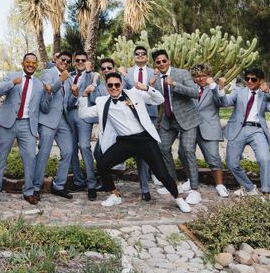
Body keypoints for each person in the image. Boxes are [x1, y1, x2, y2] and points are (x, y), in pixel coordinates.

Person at [78, 72, 192, 213]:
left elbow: (160, 99)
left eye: (117, 84)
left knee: (161, 173)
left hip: (145, 140)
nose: (114, 87)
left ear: (122, 84)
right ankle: (114, 194)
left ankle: (178, 198)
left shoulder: (135, 94)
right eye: (110, 85)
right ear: (106, 86)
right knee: (102, 164)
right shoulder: (102, 102)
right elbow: (83, 114)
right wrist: (84, 95)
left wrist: (146, 88)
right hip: (125, 142)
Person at [0, 53, 51, 205]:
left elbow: (45, 107)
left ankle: (28, 192)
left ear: (36, 66)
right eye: (28, 62)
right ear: (23, 63)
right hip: (8, 122)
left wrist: (48, 93)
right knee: (1, 156)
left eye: (34, 63)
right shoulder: (12, 75)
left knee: (30, 157)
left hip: (27, 124)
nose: (31, 65)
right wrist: (11, 83)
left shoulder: (39, 84)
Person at [218, 68, 270, 196]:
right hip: (238, 129)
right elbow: (225, 103)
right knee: (231, 163)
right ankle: (249, 188)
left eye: (253, 79)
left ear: (261, 81)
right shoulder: (238, 91)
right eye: (247, 78)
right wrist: (220, 89)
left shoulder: (265, 94)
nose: (249, 81)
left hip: (257, 130)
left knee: (264, 159)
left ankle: (266, 192)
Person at [151, 49, 202, 205]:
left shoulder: (182, 73)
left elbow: (195, 93)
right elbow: (155, 99)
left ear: (169, 61)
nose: (161, 64)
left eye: (164, 61)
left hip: (187, 119)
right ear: (155, 64)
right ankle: (173, 184)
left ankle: (194, 190)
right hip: (168, 120)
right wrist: (149, 87)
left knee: (187, 151)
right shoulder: (156, 79)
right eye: (158, 62)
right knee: (163, 148)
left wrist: (174, 84)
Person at [181, 64, 229, 197]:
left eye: (204, 75)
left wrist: (215, 86)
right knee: (183, 153)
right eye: (197, 76)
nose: (201, 78)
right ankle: (191, 180)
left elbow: (223, 103)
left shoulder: (214, 88)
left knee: (213, 157)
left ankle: (219, 185)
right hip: (190, 126)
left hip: (209, 127)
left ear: (209, 76)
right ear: (194, 78)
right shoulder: (190, 88)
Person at [121, 46, 163, 200]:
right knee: (140, 154)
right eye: (137, 54)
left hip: (150, 115)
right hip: (134, 117)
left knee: (153, 149)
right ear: (134, 56)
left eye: (143, 54)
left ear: (147, 57)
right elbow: (122, 91)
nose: (140, 55)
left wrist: (151, 85)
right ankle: (145, 189)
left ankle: (157, 175)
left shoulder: (155, 72)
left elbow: (159, 94)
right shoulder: (126, 73)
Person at [33, 51, 75, 200]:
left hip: (63, 120)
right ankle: (36, 188)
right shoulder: (47, 73)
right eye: (63, 59)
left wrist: (75, 95)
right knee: (44, 153)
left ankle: (58, 186)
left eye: (68, 61)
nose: (65, 62)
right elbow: (49, 91)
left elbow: (68, 103)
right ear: (56, 59)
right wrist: (61, 80)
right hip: (47, 119)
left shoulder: (68, 78)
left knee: (68, 151)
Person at [67, 51, 98, 199]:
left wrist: (88, 70)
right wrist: (74, 95)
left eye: (83, 60)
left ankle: (91, 184)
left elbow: (91, 90)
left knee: (84, 146)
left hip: (84, 115)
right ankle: (79, 181)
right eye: (77, 60)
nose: (80, 62)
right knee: (71, 148)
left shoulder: (92, 75)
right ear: (74, 61)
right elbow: (68, 100)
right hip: (71, 113)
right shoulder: (69, 76)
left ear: (87, 62)